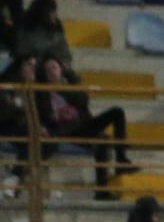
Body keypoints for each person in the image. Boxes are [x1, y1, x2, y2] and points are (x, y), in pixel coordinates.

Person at [34, 56, 134, 199]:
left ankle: (121, 160)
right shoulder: (42, 92)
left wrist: (61, 89)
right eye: (47, 69)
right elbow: (46, 116)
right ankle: (101, 191)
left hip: (83, 125)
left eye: (54, 67)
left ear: (61, 69)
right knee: (102, 140)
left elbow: (83, 101)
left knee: (117, 112)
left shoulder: (72, 85)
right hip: (65, 130)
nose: (51, 72)